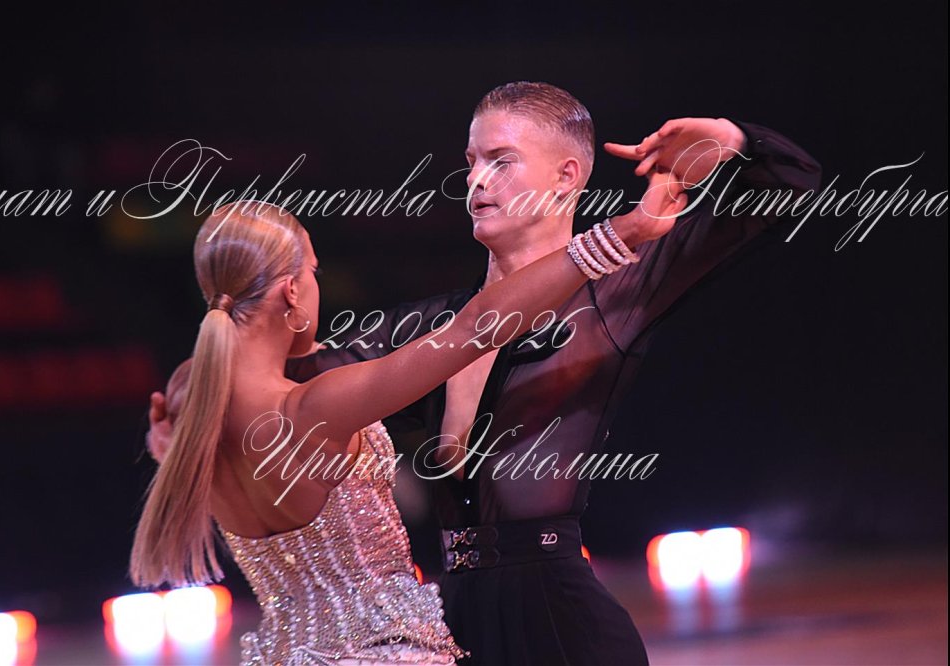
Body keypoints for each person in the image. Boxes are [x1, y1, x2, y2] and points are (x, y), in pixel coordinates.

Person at [148, 81, 821, 665]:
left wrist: (732, 138)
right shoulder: (425, 328)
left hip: (559, 619)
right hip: (452, 625)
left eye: (501, 161)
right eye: (470, 162)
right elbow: (274, 365)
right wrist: (187, 407)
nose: (475, 181)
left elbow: (793, 185)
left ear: (566, 176)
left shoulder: (621, 288)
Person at [132, 190, 678, 665]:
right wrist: (621, 234)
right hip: (386, 652)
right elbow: (475, 327)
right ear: (291, 291)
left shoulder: (194, 409)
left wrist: (165, 448)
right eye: (313, 272)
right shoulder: (314, 409)